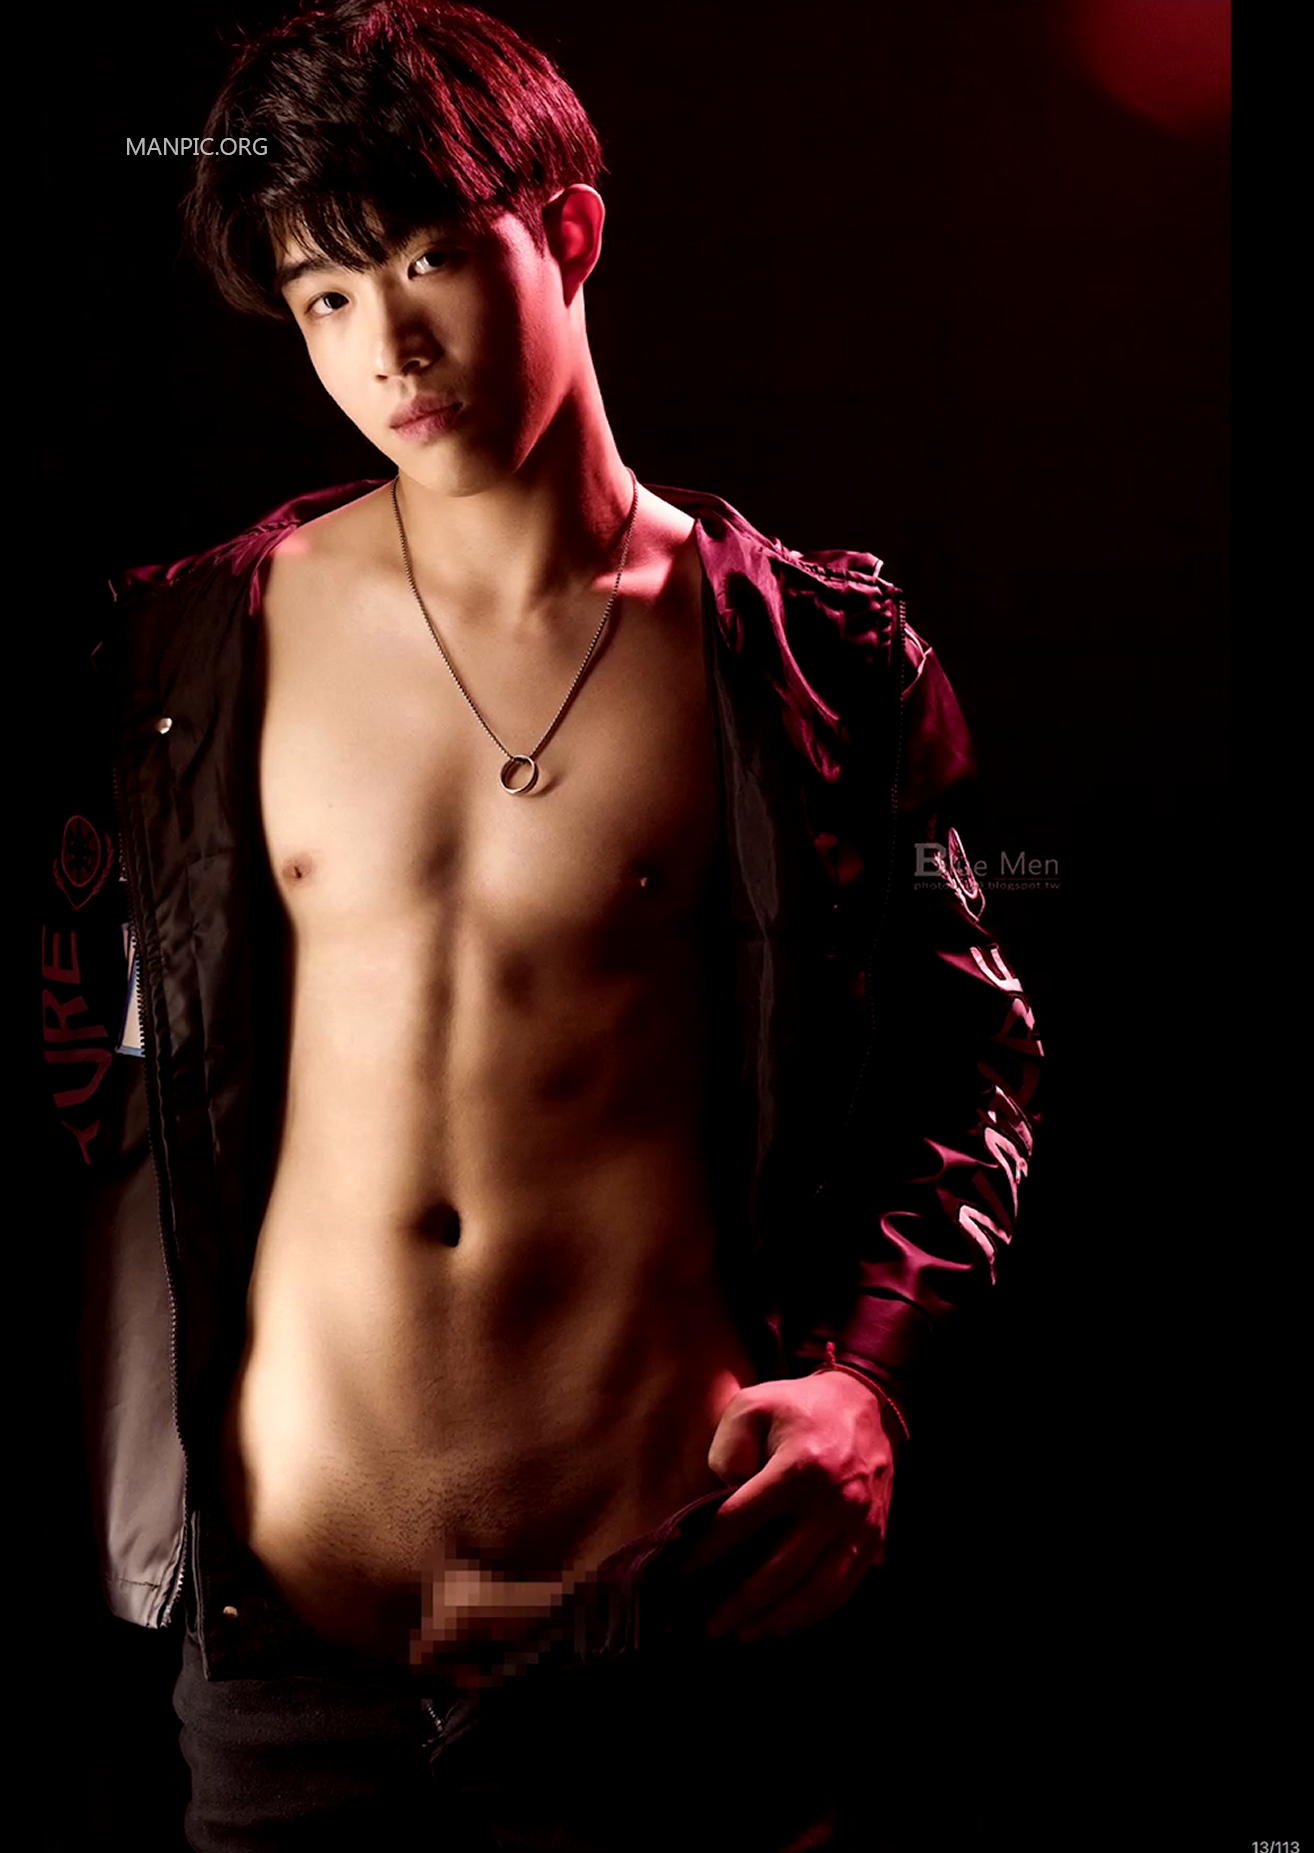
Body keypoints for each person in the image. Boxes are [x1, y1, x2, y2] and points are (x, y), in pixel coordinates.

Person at [53, 1, 1041, 1845]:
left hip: (670, 1659)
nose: (385, 348)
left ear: (570, 231)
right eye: (323, 295)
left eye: (426, 261)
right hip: (286, 1681)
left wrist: (873, 1385)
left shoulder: (812, 661)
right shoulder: (182, 657)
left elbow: (966, 1057)